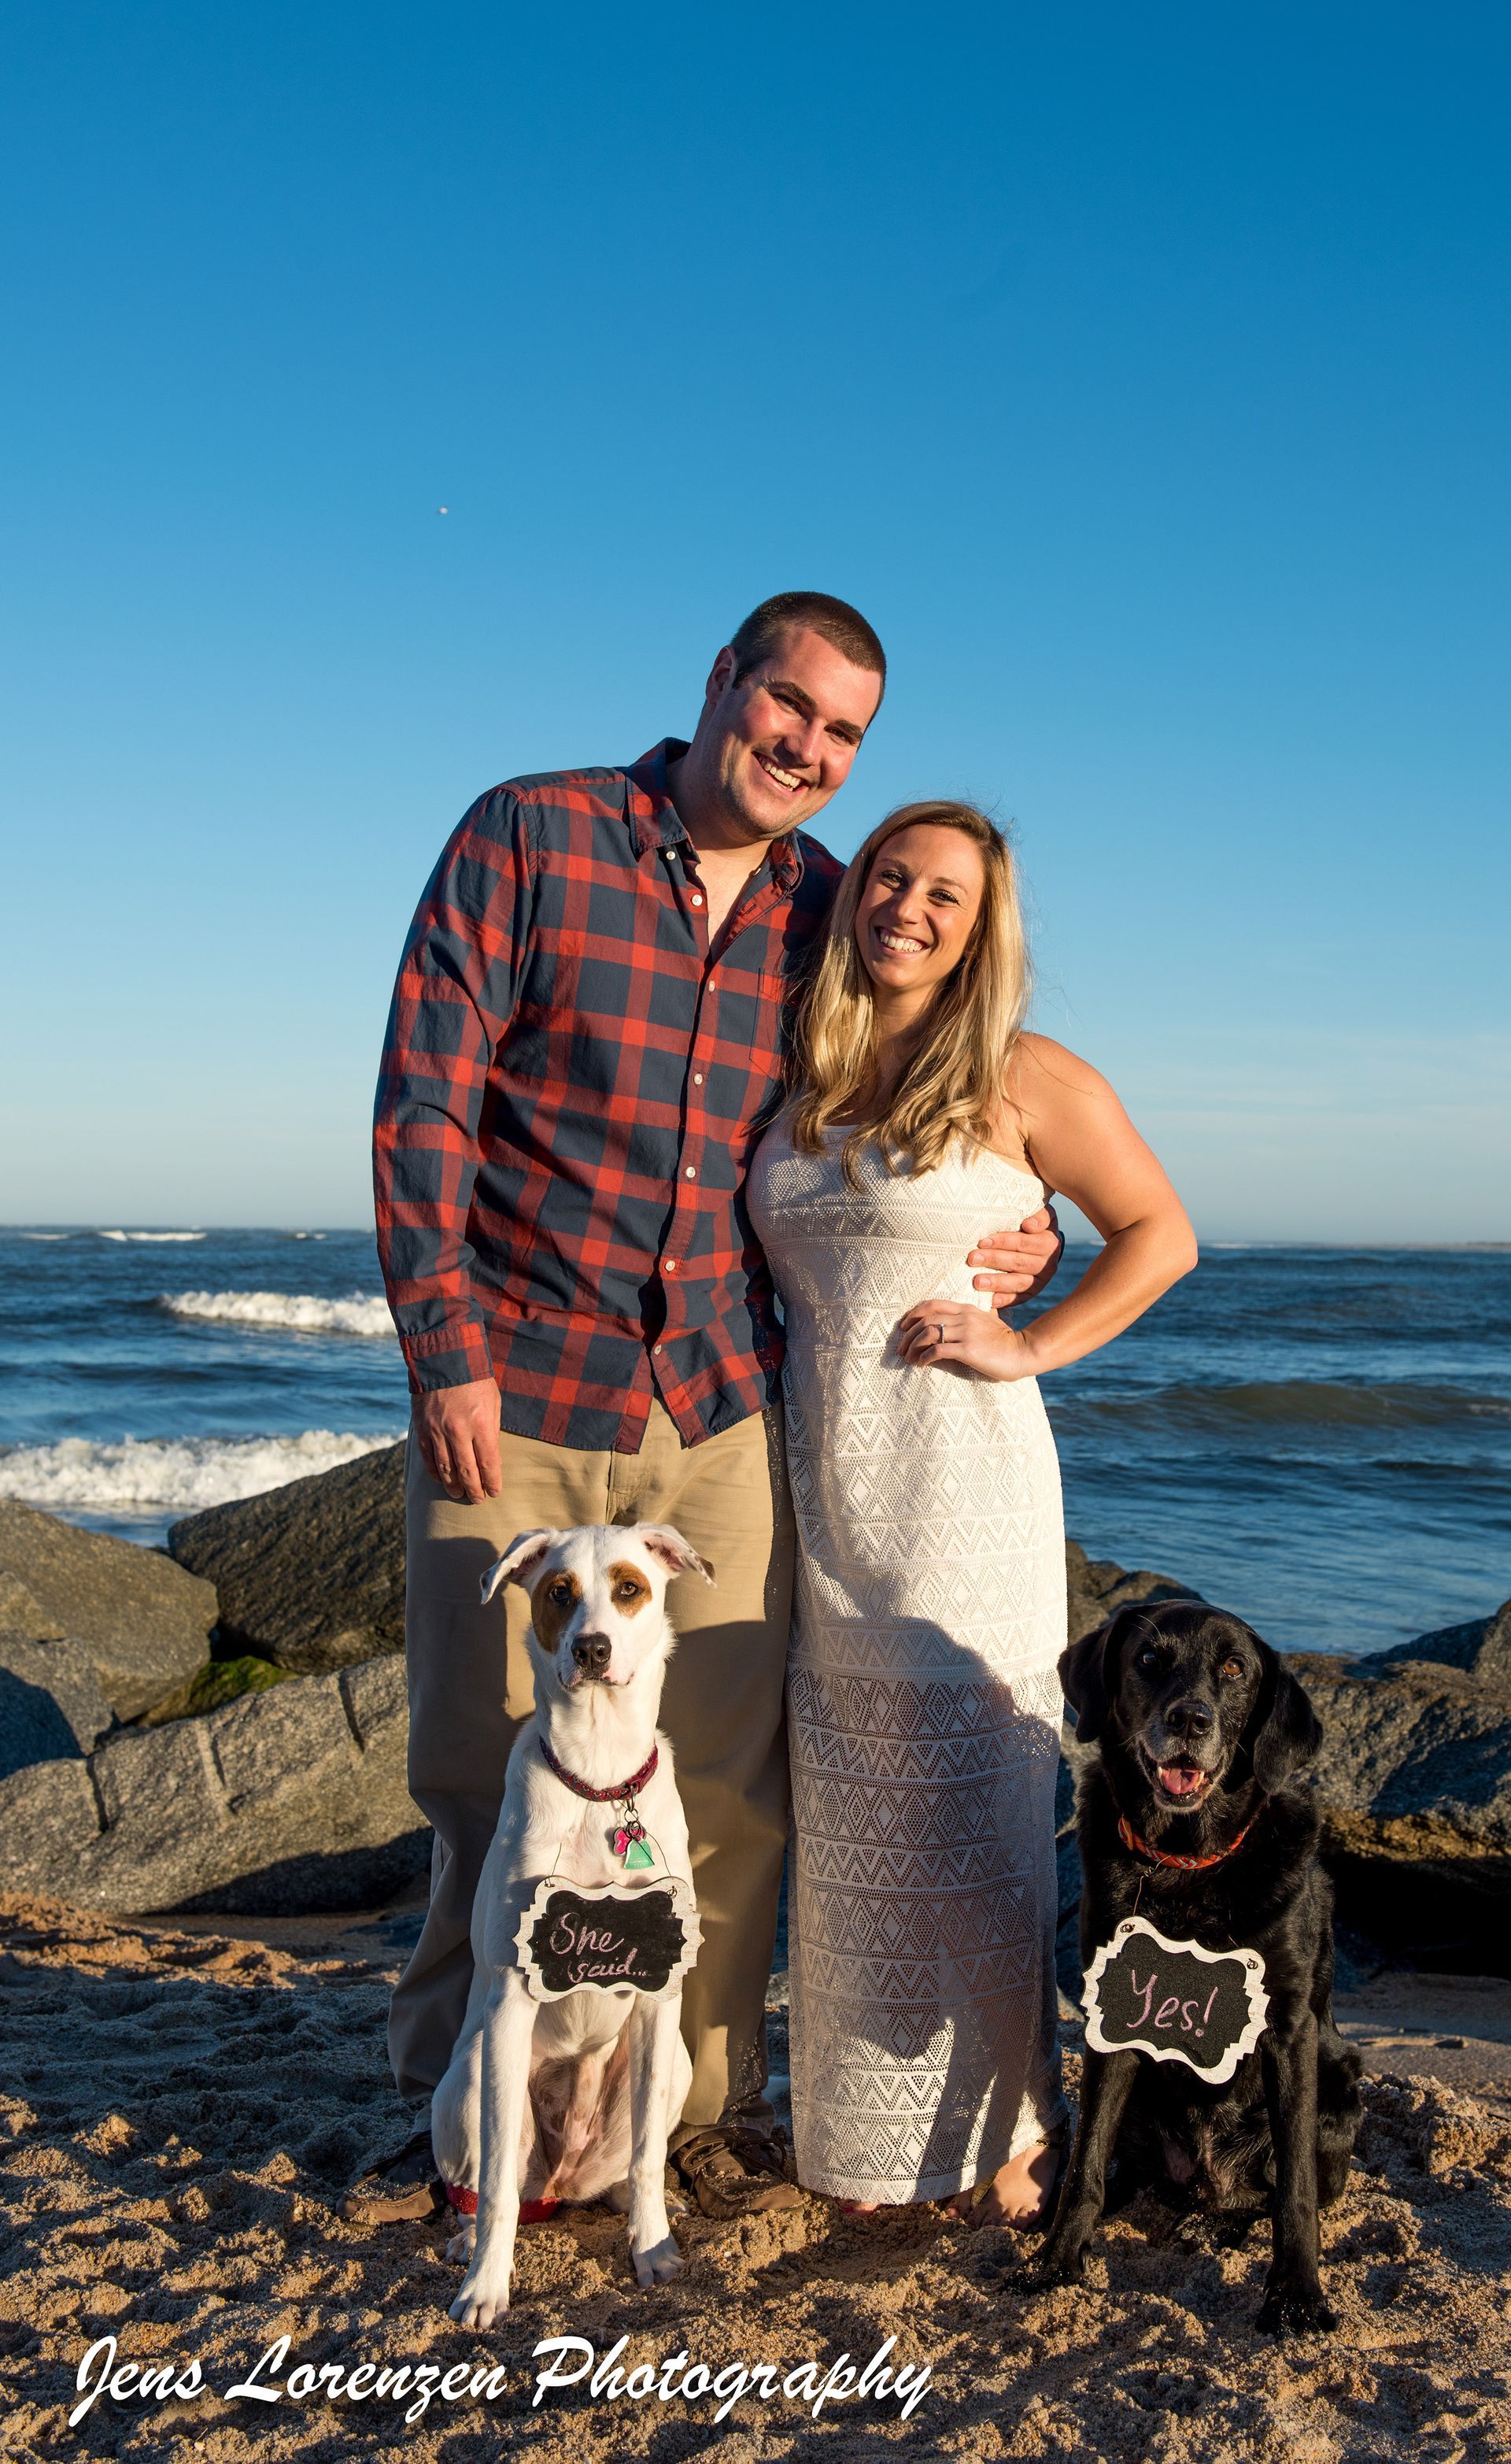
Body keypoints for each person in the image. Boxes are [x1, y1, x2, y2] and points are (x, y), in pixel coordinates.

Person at [354, 598, 1064, 2225]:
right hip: (516, 1386)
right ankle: (473, 2110)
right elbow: (423, 1101)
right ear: (721, 683)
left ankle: (677, 2109)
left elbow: (940, 1089)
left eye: (840, 735)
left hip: (722, 1410)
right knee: (483, 1756)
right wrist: (441, 1343)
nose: (806, 749)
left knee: (728, 1786)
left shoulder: (834, 904)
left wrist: (1031, 1228)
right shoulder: (527, 833)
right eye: (787, 705)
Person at [748, 800, 1197, 2222]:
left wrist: (1034, 1337)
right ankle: (866, 2147)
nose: (912, 907)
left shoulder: (1019, 1072)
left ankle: (1010, 2139)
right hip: (822, 1486)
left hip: (963, 1487)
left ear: (982, 925)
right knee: (852, 1822)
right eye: (892, 875)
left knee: (974, 1827)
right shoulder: (795, 1062)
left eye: (948, 893)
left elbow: (1165, 1233)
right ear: (855, 886)